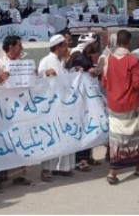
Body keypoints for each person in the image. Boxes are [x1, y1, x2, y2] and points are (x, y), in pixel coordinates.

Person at [100, 29, 139, 184]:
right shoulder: (133, 60)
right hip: (130, 103)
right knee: (134, 136)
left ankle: (113, 172)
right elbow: (137, 83)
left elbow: (104, 82)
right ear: (128, 42)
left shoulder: (108, 59)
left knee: (116, 137)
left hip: (113, 104)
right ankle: (137, 167)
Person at [37, 34, 75, 180]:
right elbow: (37, 79)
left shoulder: (62, 62)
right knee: (50, 137)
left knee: (65, 135)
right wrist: (46, 73)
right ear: (58, 47)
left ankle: (62, 168)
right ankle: (46, 170)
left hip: (64, 105)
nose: (67, 48)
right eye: (64, 45)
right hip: (50, 107)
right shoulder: (46, 61)